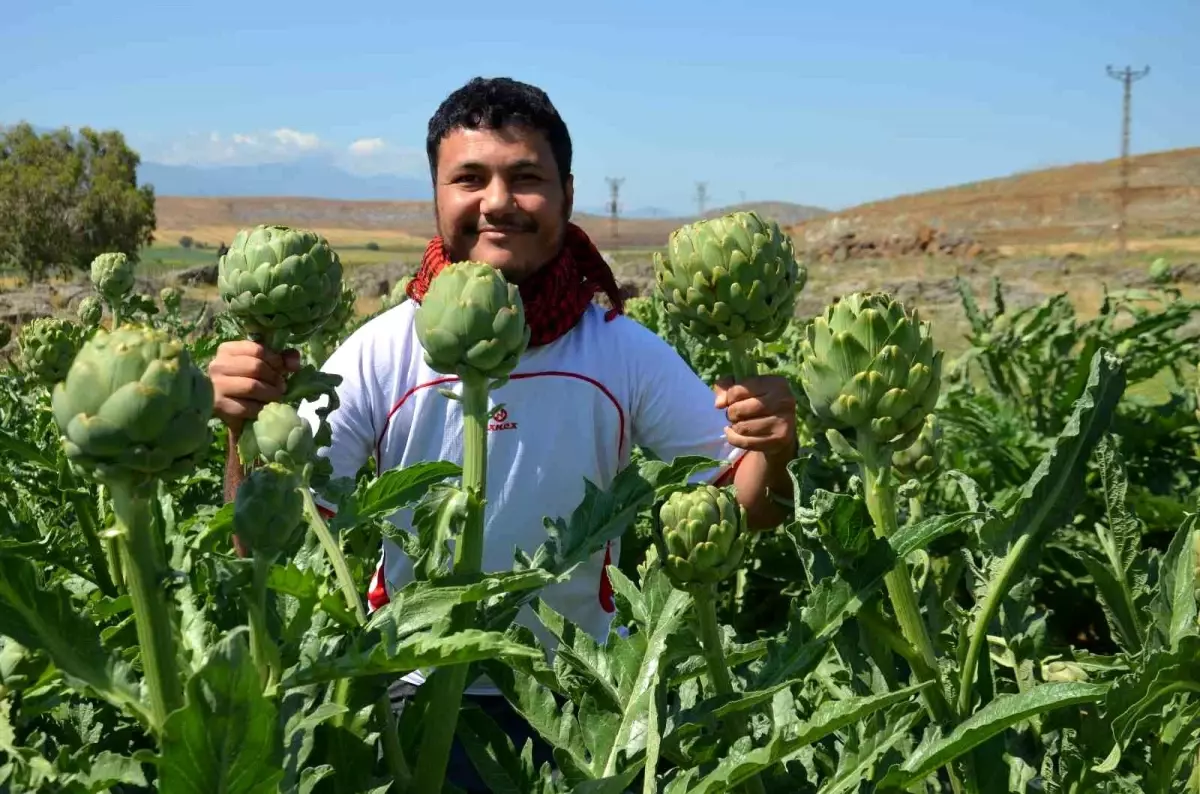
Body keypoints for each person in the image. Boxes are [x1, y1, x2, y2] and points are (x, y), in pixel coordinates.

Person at [207, 76, 798, 791]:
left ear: (567, 194)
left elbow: (748, 508)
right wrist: (243, 432)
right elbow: (264, 543)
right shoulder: (381, 351)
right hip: (407, 694)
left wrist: (772, 447)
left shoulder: (621, 351)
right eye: (469, 178)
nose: (496, 202)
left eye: (525, 178)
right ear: (436, 194)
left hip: (577, 701)